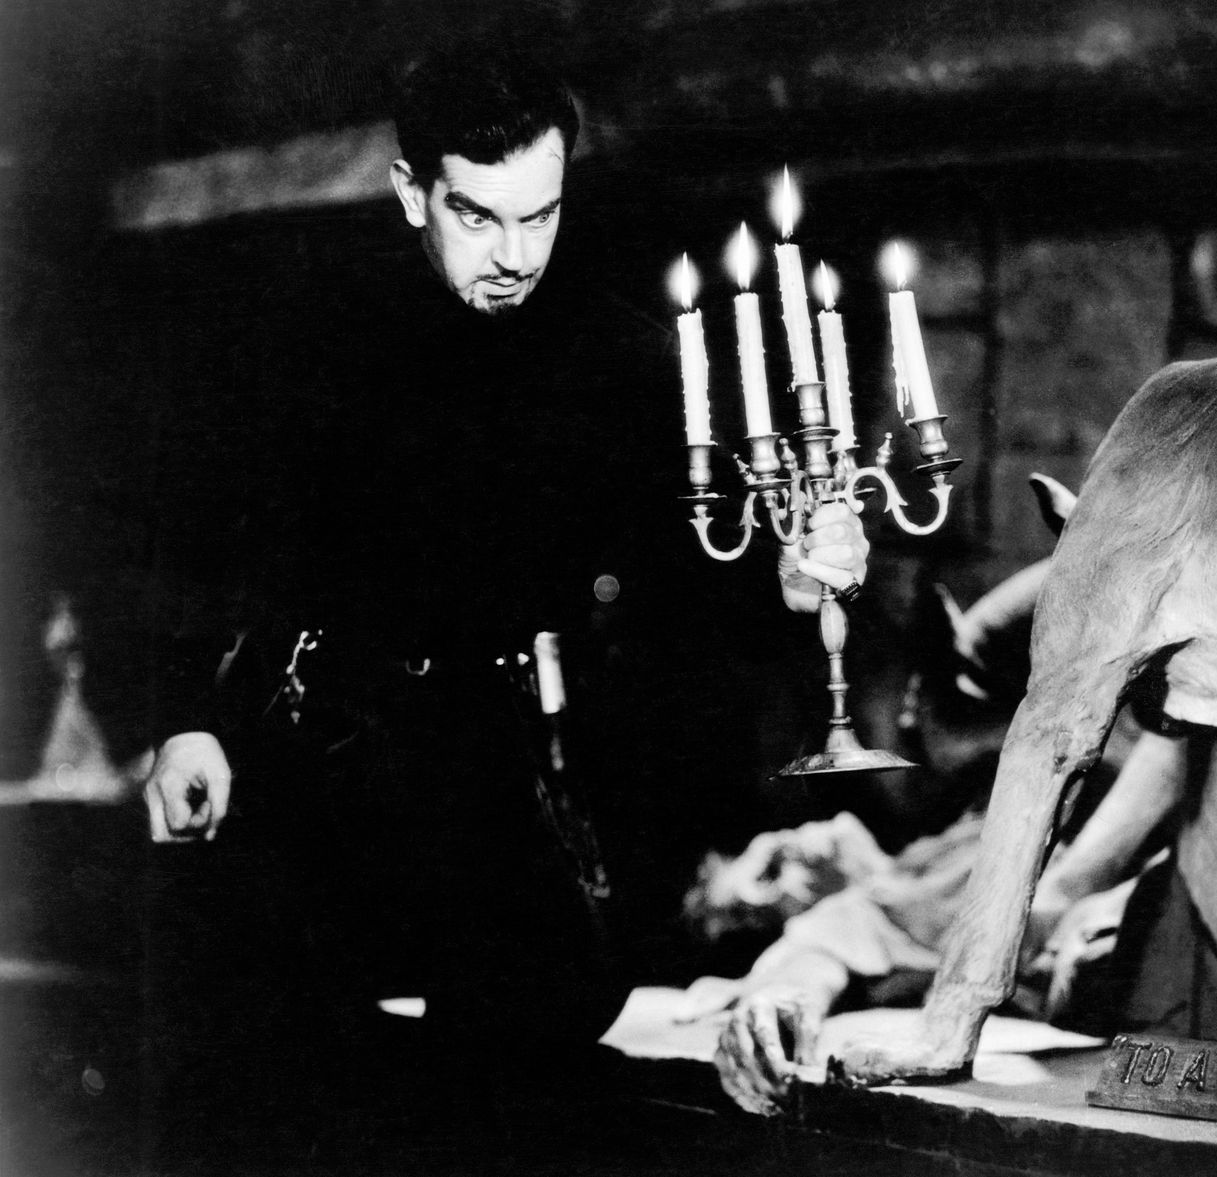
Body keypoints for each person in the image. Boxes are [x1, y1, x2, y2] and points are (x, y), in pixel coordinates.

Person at [130, 41, 869, 1168]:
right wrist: (187, 715)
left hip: (506, 781)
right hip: (314, 762)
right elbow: (195, 538)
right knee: (282, 1101)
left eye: (542, 215)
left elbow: (697, 578)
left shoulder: (622, 362)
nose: (516, 256)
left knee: (507, 1108)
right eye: (478, 217)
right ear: (411, 192)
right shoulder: (306, 334)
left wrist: (789, 578)